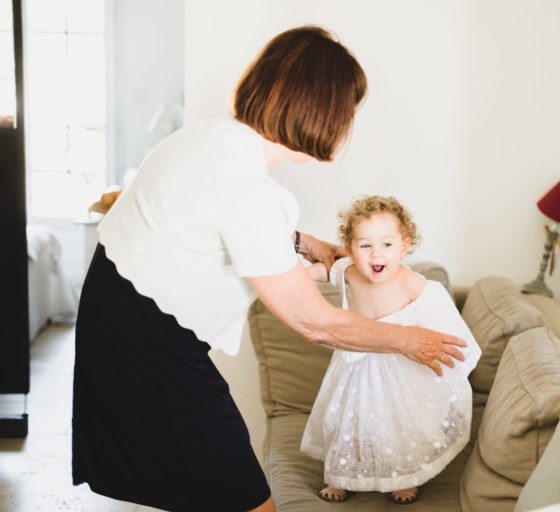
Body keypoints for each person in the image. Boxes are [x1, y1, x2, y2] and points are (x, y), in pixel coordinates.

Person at [72, 26, 468, 512]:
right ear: (323, 113)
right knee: (247, 497)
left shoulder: (210, 136)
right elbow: (313, 321)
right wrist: (409, 340)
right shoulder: (254, 194)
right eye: (347, 114)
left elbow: (214, 221)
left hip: (115, 310)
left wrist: (301, 242)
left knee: (200, 486)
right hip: (147, 342)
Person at [300, 195, 481, 505]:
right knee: (350, 419)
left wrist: (450, 360)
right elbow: (305, 278)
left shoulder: (412, 283)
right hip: (355, 364)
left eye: (386, 244)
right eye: (365, 245)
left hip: (397, 368)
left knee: (396, 423)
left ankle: (403, 477)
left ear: (404, 247)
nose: (375, 254)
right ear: (350, 248)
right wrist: (299, 277)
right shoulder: (346, 270)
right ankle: (342, 476)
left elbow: (441, 320)